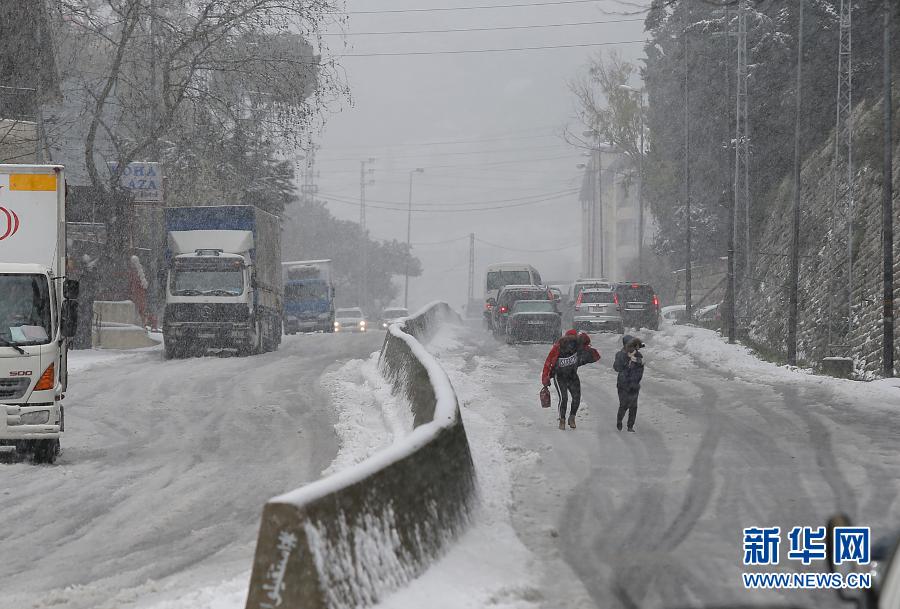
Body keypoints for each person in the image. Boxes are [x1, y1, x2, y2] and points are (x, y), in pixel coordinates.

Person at [541, 329, 601, 430]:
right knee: (564, 398)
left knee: (576, 398)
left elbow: (592, 351)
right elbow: (548, 362)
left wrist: (583, 338)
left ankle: (572, 417)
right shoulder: (557, 347)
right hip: (559, 376)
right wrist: (545, 378)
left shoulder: (578, 347)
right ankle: (562, 419)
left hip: (572, 375)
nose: (570, 342)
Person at [613, 334, 645, 432]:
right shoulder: (620, 355)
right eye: (630, 346)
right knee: (624, 404)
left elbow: (640, 371)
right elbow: (617, 368)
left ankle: (630, 426)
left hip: (634, 385)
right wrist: (626, 359)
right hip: (622, 385)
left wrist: (634, 382)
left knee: (633, 406)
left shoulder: (638, 356)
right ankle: (619, 421)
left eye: (633, 346)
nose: (632, 348)